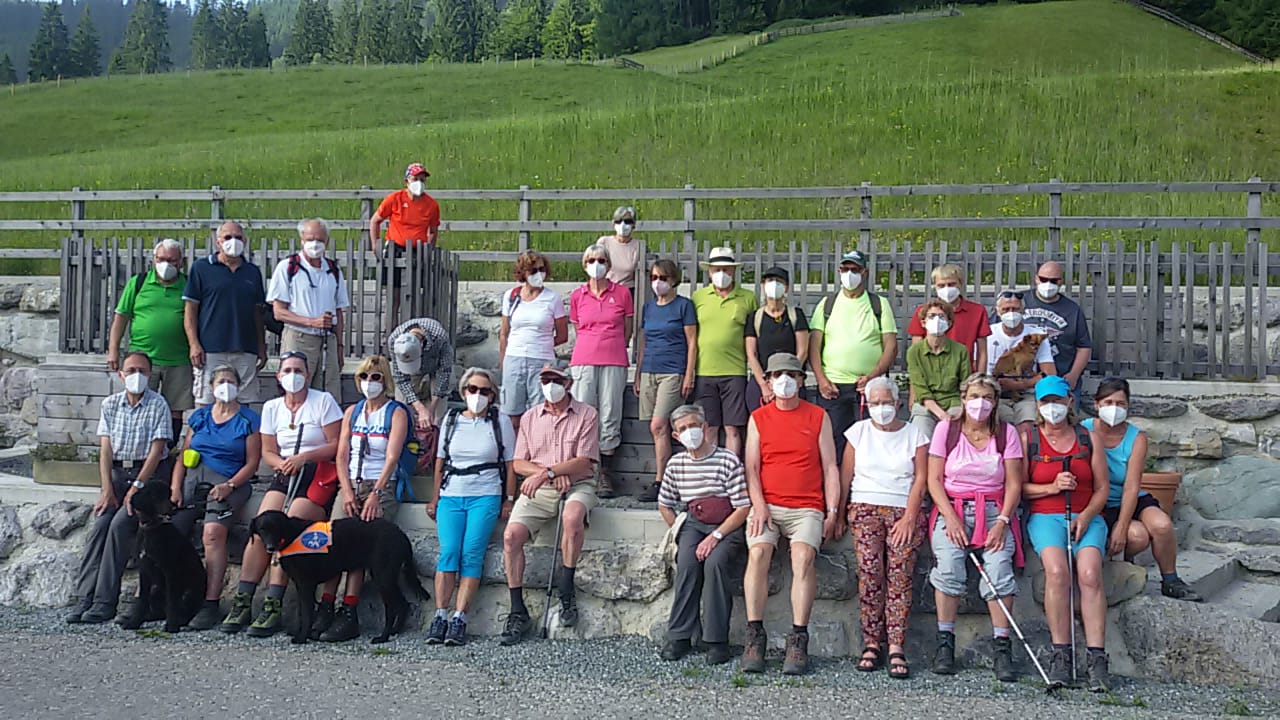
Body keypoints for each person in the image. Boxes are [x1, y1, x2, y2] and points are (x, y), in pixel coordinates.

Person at [219, 351, 343, 637]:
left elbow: (336, 444)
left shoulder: (322, 402)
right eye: (287, 370)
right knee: (264, 524)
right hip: (284, 471)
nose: (293, 375)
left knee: (292, 524)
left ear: (308, 374)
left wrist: (304, 457)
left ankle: (273, 602)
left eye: (298, 370)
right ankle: (244, 598)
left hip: (315, 472)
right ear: (278, 375)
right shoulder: (273, 407)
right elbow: (267, 451)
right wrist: (282, 464)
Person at [741, 353, 841, 676]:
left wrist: (833, 510)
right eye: (777, 375)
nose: (784, 380)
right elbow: (752, 468)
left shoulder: (817, 416)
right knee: (758, 553)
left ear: (801, 380)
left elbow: (830, 466)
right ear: (768, 380)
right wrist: (758, 505)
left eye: (791, 374)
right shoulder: (758, 418)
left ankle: (798, 637)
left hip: (807, 506)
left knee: (803, 558)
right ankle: (754, 633)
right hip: (767, 504)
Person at [927, 372, 1024, 681]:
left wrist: (1003, 522)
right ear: (963, 398)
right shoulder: (947, 429)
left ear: (995, 403)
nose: (979, 404)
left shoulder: (1006, 433)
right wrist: (951, 518)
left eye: (986, 398)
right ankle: (945, 642)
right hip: (953, 507)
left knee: (998, 569)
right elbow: (933, 479)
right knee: (949, 565)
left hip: (995, 510)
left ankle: (1001, 646)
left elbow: (1013, 483)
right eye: (973, 397)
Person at [66, 352, 176, 625]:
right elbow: (105, 450)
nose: (136, 375)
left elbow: (157, 450)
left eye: (141, 370)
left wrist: (137, 486)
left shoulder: (158, 404)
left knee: (119, 527)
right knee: (100, 525)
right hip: (118, 472)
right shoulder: (110, 404)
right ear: (121, 374)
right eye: (131, 369)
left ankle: (105, 602)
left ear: (149, 374)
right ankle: (84, 597)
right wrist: (106, 488)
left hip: (146, 477)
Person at [499, 365, 599, 646]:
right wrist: (548, 474)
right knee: (511, 536)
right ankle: (517, 609)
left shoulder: (587, 414)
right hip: (541, 486)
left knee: (572, 517)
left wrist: (551, 472)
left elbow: (584, 461)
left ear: (568, 383)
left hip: (577, 483)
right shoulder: (530, 417)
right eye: (545, 380)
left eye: (556, 380)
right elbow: (518, 462)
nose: (550, 385)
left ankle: (566, 586)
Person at [314, 355, 412, 642]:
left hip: (379, 484)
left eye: (376, 377)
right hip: (351, 484)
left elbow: (392, 456)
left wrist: (376, 494)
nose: (370, 383)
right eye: (365, 377)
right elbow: (342, 454)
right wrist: (345, 491)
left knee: (360, 546)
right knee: (331, 542)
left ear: (386, 381)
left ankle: (350, 609)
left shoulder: (396, 413)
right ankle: (326, 603)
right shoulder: (352, 412)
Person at [1023, 375, 1111, 691]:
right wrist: (1051, 487)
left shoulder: (1089, 438)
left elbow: (1102, 487)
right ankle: (1061, 655)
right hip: (1047, 516)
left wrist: (1087, 515)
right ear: (1037, 404)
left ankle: (1097, 657)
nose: (1052, 408)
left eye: (1058, 401)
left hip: (1085, 515)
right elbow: (1019, 487)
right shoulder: (1030, 438)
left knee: (1089, 574)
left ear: (1069, 402)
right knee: (1058, 572)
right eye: (1046, 402)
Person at [838, 376, 930, 679]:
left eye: (886, 403)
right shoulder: (858, 432)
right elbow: (845, 476)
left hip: (904, 508)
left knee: (900, 575)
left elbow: (920, 478)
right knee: (869, 572)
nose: (881, 408)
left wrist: (909, 517)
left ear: (898, 404)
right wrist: (838, 515)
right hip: (865, 507)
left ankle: (896, 646)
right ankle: (871, 642)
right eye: (875, 403)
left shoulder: (914, 435)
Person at [1083, 377, 1202, 602]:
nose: (1114, 409)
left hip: (1128, 498)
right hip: (1098, 501)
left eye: (1120, 404)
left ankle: (1171, 579)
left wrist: (1122, 525)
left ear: (1128, 407)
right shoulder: (1083, 430)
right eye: (1108, 402)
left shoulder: (1135, 438)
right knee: (1137, 537)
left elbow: (1131, 487)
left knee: (1162, 525)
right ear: (1097, 404)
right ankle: (1125, 565)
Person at [426, 368, 516, 647]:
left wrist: (508, 499)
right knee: (449, 552)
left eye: (484, 391)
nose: (478, 396)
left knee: (471, 554)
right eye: (473, 389)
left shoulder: (500, 421)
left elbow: (511, 464)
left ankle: (459, 618)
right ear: (464, 391)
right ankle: (440, 614)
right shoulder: (451, 420)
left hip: (485, 494)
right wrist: (435, 496)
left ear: (493, 395)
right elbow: (440, 461)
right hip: (452, 493)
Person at [171, 364, 261, 631]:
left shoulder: (248, 419)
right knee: (170, 531)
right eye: (221, 381)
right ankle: (171, 599)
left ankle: (211, 603)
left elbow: (252, 463)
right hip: (193, 481)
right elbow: (182, 456)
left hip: (229, 482)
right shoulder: (199, 417)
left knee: (212, 533)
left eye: (231, 381)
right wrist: (175, 487)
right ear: (211, 387)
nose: (225, 386)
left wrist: (230, 485)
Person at [657, 404, 748, 665]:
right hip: (693, 524)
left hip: (726, 524)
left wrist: (716, 536)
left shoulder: (727, 460)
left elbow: (742, 506)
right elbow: (664, 502)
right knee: (686, 563)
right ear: (676, 436)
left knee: (715, 563)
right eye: (683, 429)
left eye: (693, 426)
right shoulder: (676, 464)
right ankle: (680, 636)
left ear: (705, 427)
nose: (689, 432)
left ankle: (717, 640)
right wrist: (678, 529)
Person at [809, 250, 898, 464]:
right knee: (834, 443)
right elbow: (814, 346)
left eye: (855, 270)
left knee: (872, 440)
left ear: (864, 272)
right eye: (845, 269)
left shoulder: (879, 304)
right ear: (839, 272)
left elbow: (891, 345)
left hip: (867, 387)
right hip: (833, 387)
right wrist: (821, 380)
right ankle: (839, 492)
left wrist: (873, 376)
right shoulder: (826, 304)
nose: (849, 274)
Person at [107, 238, 191, 446]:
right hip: (142, 359)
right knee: (139, 402)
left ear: (181, 262)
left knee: (175, 410)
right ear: (153, 259)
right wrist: (113, 351)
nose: (166, 264)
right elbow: (121, 317)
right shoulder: (138, 282)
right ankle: (139, 450)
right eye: (161, 259)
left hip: (179, 358)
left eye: (172, 260)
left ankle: (168, 451)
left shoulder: (189, 285)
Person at [568, 244, 634, 498]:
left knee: (610, 413)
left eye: (602, 260)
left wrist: (615, 344)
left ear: (609, 264)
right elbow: (577, 327)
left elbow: (627, 327)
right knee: (584, 412)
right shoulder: (578, 295)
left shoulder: (622, 294)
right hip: (584, 358)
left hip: (614, 358)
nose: (597, 264)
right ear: (585, 264)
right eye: (592, 260)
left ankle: (605, 472)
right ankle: (584, 469)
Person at [183, 220, 267, 406]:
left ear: (245, 242)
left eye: (238, 237)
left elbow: (258, 313)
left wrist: (261, 346)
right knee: (207, 400)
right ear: (218, 242)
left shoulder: (252, 272)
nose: (233, 241)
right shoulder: (201, 268)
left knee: (244, 401)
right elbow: (190, 309)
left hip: (245, 347)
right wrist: (194, 344)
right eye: (228, 237)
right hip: (210, 348)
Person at [634, 258, 697, 502]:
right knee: (656, 428)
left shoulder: (684, 306)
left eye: (662, 278)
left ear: (673, 280)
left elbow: (692, 342)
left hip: (673, 370)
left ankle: (661, 481)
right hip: (650, 368)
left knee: (658, 425)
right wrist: (639, 373)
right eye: (653, 278)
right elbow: (644, 341)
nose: (657, 283)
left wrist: (688, 373)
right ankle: (669, 479)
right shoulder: (648, 308)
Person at [267, 218, 350, 399]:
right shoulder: (288, 267)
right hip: (299, 337)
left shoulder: (333, 269)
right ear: (302, 239)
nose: (315, 244)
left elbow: (339, 311)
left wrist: (340, 346)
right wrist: (312, 322)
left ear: (327, 241)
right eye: (310, 239)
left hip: (329, 341)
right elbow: (278, 311)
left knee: (329, 393)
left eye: (320, 240)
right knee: (296, 388)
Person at [691, 246, 758, 457]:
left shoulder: (748, 298)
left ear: (734, 271)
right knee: (709, 427)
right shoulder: (698, 297)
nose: (722, 274)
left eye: (727, 270)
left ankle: (731, 471)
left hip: (735, 371)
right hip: (704, 371)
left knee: (733, 428)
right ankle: (711, 471)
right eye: (717, 269)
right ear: (709, 272)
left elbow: (753, 333)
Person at [499, 250, 569, 435]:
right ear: (523, 273)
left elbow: (563, 335)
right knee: (512, 415)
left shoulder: (553, 298)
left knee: (541, 413)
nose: (539, 274)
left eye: (542, 269)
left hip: (541, 360)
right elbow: (505, 333)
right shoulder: (511, 296)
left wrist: (542, 344)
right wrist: (503, 362)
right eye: (534, 270)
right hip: (514, 359)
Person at [369, 162, 441, 324]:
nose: (419, 183)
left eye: (422, 180)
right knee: (393, 298)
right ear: (407, 181)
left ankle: (412, 333)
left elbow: (433, 230)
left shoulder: (431, 205)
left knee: (414, 296)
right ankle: (391, 332)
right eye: (416, 179)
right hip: (395, 248)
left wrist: (429, 249)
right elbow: (375, 220)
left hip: (417, 250)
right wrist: (375, 244)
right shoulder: (394, 199)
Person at [987, 290, 1056, 436]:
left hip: (1027, 395)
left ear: (1023, 311)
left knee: (1026, 429)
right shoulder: (987, 334)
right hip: (995, 394)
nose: (1011, 313)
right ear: (997, 312)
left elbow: (1050, 374)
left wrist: (1020, 385)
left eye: (1015, 309)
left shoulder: (1036, 335)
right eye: (1006, 309)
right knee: (1000, 430)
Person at [1023, 261, 1092, 399]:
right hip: (1022, 380)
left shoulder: (1072, 310)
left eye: (1054, 280)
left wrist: (1073, 375)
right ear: (1036, 278)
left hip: (1059, 380)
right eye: (1043, 279)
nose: (1048, 284)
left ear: (1061, 282)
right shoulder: (1019, 301)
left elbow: (1083, 347)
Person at [744, 266, 809, 410]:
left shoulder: (796, 315)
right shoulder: (755, 317)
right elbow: (751, 354)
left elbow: (802, 351)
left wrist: (787, 379)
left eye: (779, 281)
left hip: (791, 382)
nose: (774, 284)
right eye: (770, 280)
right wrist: (766, 385)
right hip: (762, 385)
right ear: (763, 286)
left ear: (786, 288)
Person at [907, 264, 989, 373]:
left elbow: (982, 351)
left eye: (951, 284)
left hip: (964, 372)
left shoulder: (977, 311)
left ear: (960, 283)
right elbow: (917, 347)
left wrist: (980, 377)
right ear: (935, 286)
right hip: (932, 372)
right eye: (941, 285)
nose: (946, 289)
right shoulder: (923, 311)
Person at [907, 300, 969, 438]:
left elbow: (965, 385)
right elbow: (920, 389)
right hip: (925, 406)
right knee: (921, 438)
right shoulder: (914, 352)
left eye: (941, 316)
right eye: (932, 316)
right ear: (923, 322)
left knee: (955, 437)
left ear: (949, 322)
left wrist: (961, 410)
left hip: (954, 402)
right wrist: (942, 415)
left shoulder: (960, 350)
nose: (936, 320)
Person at [388, 318, 455, 431]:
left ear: (422, 345)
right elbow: (401, 379)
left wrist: (431, 409)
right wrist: (420, 408)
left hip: (437, 365)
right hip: (412, 372)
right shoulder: (393, 340)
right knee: (401, 404)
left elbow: (444, 373)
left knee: (439, 412)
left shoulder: (440, 336)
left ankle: (436, 435)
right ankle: (405, 433)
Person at [597, 205, 640, 289]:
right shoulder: (604, 242)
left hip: (628, 289)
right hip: (606, 288)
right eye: (618, 221)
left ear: (633, 225)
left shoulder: (638, 246)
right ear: (614, 224)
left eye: (627, 221)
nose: (623, 225)